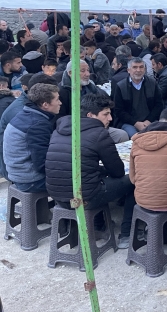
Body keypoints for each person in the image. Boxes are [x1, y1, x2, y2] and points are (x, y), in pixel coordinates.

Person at [46, 93, 136, 246]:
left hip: (56, 194)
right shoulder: (99, 133)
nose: (110, 119)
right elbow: (118, 172)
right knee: (134, 179)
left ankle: (99, 223)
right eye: (106, 114)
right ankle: (127, 233)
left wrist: (100, 170)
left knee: (94, 176)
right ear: (90, 115)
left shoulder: (59, 129)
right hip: (84, 197)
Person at [4, 83, 60, 193]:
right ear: (45, 104)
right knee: (84, 180)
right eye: (57, 99)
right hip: (30, 180)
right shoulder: (37, 124)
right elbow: (42, 164)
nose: (60, 103)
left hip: (18, 174)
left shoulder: (25, 114)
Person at [112, 58, 164, 138]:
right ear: (128, 70)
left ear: (145, 69)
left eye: (141, 67)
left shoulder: (152, 83)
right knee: (136, 137)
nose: (138, 70)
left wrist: (148, 121)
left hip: (150, 121)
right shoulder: (121, 86)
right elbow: (119, 110)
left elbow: (159, 105)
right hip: (129, 123)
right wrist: (135, 123)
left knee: (157, 136)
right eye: (135, 67)